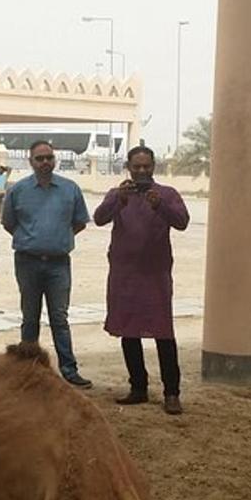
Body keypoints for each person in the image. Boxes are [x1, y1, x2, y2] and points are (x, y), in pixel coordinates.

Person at [93, 145, 190, 415]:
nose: (142, 171)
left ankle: (172, 392)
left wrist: (160, 206)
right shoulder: (117, 194)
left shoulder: (167, 194)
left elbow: (182, 222)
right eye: (137, 166)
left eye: (146, 166)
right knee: (128, 330)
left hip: (155, 276)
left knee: (163, 333)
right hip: (124, 275)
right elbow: (99, 219)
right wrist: (118, 201)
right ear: (129, 167)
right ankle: (138, 387)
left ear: (154, 166)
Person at [1, 140, 92, 388]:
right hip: (27, 263)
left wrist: (57, 239)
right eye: (39, 158)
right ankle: (28, 370)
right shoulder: (17, 191)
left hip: (58, 264)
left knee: (59, 319)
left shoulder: (70, 189)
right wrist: (33, 239)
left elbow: (80, 222)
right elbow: (9, 223)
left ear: (55, 160)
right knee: (29, 318)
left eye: (49, 158)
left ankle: (69, 370)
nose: (45, 162)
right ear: (30, 162)